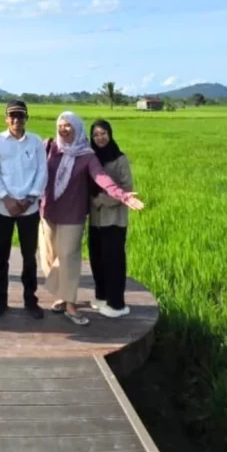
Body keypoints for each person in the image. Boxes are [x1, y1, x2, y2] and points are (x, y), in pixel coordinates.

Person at [39, 111, 143, 326]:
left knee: (68, 257)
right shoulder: (48, 147)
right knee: (50, 257)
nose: (64, 128)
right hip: (48, 211)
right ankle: (62, 296)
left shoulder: (86, 155)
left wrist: (122, 195)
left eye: (69, 125)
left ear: (77, 127)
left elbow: (102, 178)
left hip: (73, 214)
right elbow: (31, 170)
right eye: (61, 124)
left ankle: (70, 304)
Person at [0, 100, 48, 319]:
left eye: (20, 116)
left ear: (26, 119)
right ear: (6, 118)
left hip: (29, 208)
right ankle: (0, 299)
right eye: (12, 115)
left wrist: (30, 198)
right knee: (1, 255)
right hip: (3, 208)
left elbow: (42, 171)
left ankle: (30, 300)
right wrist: (7, 199)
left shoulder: (36, 142)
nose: (16, 120)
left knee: (28, 256)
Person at [88, 119, 134, 318]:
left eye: (103, 133)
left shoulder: (120, 159)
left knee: (113, 261)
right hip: (95, 222)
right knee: (97, 259)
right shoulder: (91, 158)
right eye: (96, 134)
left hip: (114, 219)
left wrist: (100, 200)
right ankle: (102, 296)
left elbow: (127, 189)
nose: (99, 137)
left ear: (110, 134)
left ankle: (117, 304)